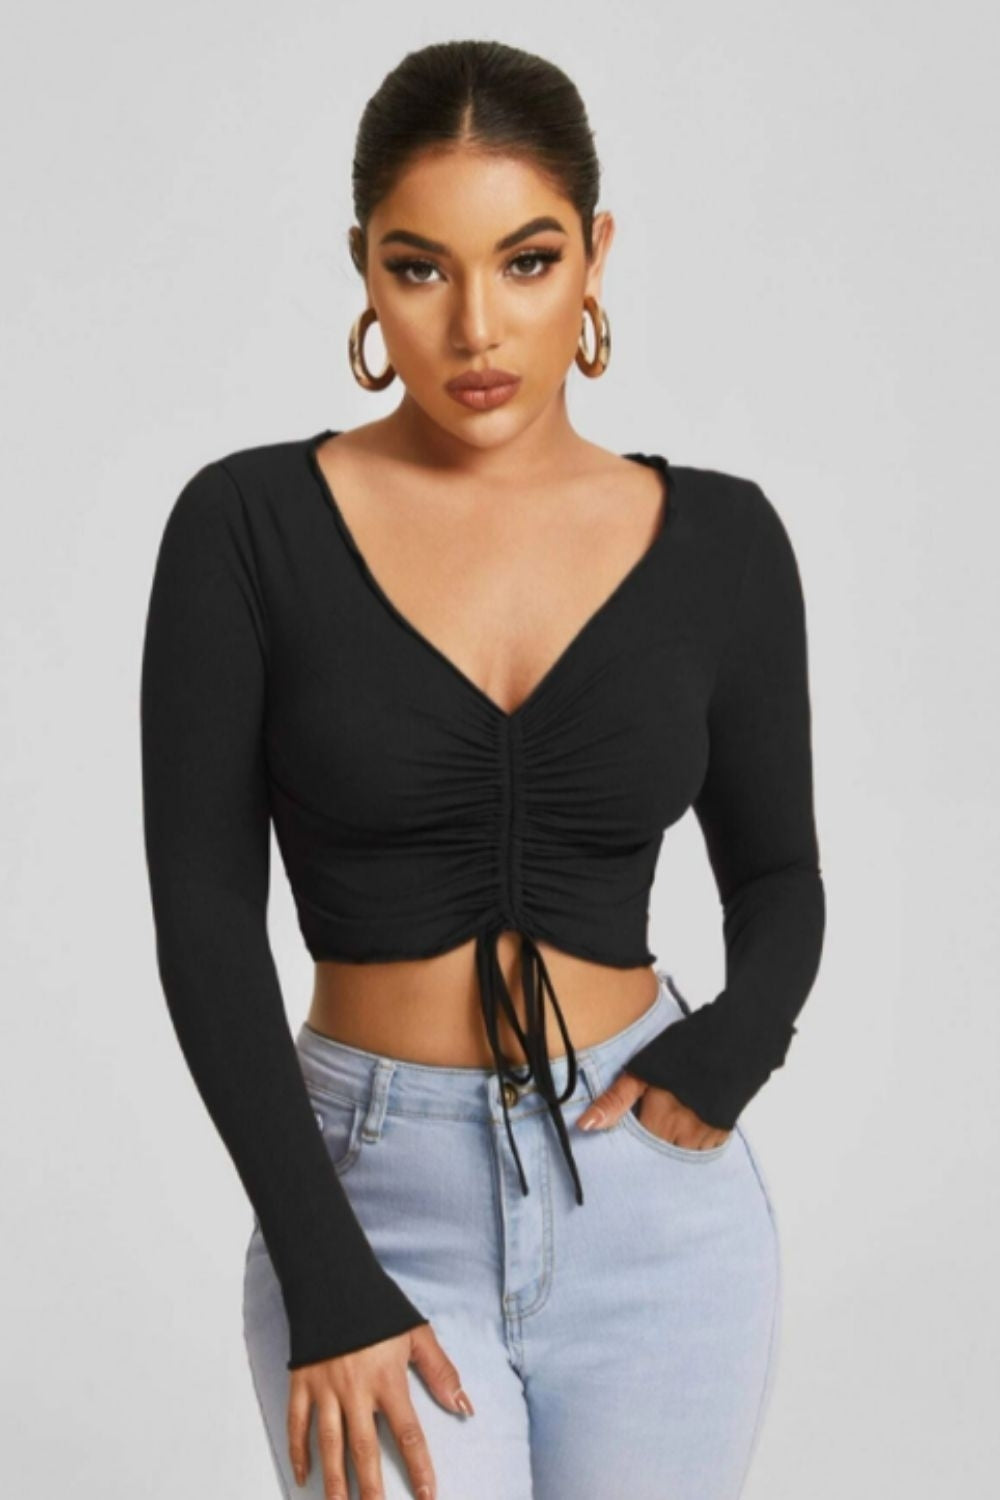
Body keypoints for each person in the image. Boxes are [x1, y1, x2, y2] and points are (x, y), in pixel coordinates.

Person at [139, 37, 825, 1500]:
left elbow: (777, 872)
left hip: (658, 1216)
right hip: (368, 1195)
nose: (475, 328)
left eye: (525, 261)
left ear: (595, 256)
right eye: (419, 268)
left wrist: (739, 1041)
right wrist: (324, 1271)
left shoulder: (725, 543)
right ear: (363, 271)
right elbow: (202, 919)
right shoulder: (244, 529)